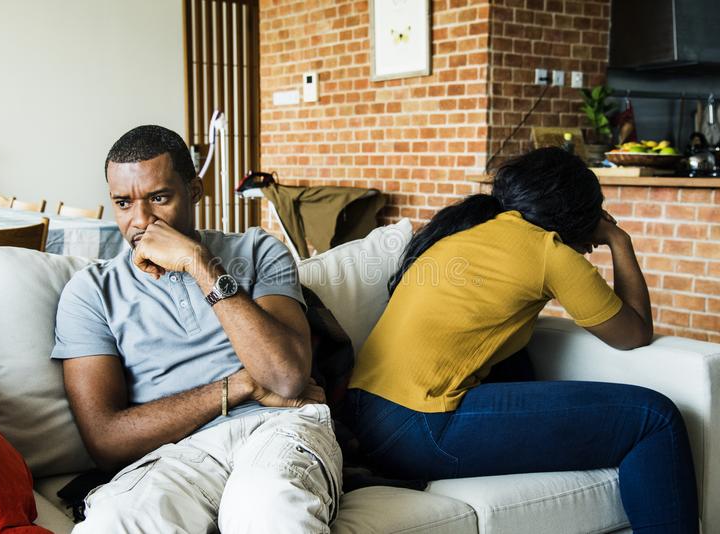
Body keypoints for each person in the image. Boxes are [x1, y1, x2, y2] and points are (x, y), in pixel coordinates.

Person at [343, 147, 699, 533]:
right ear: (578, 213)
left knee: (517, 356)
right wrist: (618, 239)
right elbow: (634, 333)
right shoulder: (548, 251)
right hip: (417, 428)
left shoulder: (468, 232)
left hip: (366, 419)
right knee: (654, 419)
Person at [51, 125, 342, 533]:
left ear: (194, 191)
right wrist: (241, 385)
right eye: (123, 203)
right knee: (113, 522)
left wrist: (199, 263)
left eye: (159, 198)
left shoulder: (258, 250)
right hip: (173, 456)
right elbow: (106, 441)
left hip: (276, 428)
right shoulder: (90, 292)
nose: (141, 221)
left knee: (269, 508)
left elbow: (286, 378)